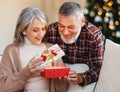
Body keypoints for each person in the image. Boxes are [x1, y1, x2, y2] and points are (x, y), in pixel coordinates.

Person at [0, 7, 64, 92]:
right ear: (24, 30)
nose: (41, 34)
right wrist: (26, 72)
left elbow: (63, 88)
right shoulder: (11, 51)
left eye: (43, 29)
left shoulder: (52, 49)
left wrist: (62, 77)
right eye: (35, 30)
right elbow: (3, 87)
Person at [46, 2, 105, 91]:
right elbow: (43, 56)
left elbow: (98, 68)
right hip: (56, 79)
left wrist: (80, 78)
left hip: (82, 77)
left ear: (82, 22)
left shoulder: (94, 36)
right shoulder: (50, 31)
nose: (65, 32)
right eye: (61, 26)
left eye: (71, 27)